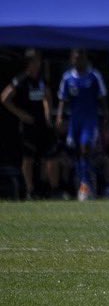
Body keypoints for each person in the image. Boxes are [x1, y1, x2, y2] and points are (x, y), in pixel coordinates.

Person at [1, 49, 59, 198]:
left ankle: (53, 190)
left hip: (43, 126)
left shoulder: (41, 80)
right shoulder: (21, 80)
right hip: (28, 126)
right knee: (28, 158)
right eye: (35, 61)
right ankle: (30, 191)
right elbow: (4, 98)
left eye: (39, 61)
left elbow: (47, 96)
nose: (38, 64)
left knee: (51, 156)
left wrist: (48, 113)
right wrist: (21, 114)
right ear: (29, 63)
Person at [55, 49, 108, 202]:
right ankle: (85, 183)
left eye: (82, 57)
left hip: (90, 121)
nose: (79, 61)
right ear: (72, 60)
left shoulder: (94, 76)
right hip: (75, 121)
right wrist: (59, 116)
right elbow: (62, 99)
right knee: (77, 153)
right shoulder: (67, 78)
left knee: (85, 148)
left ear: (86, 59)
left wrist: (106, 116)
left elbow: (102, 97)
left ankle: (85, 185)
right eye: (76, 58)